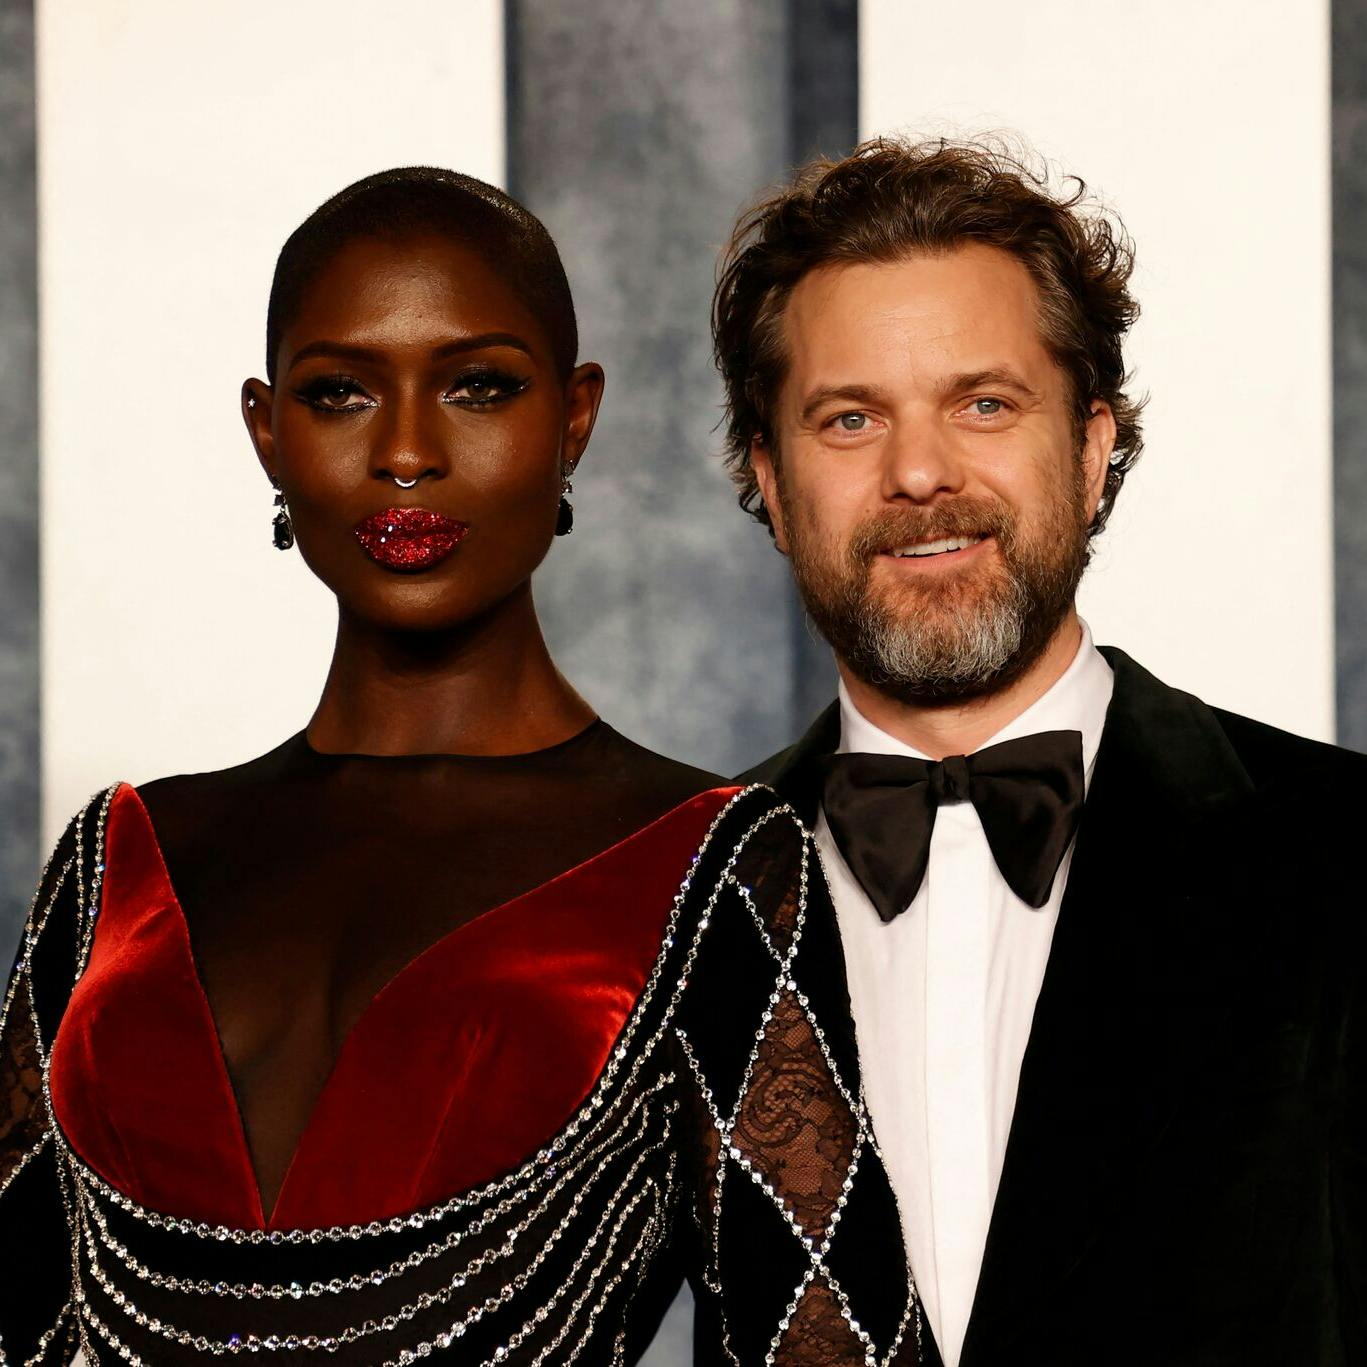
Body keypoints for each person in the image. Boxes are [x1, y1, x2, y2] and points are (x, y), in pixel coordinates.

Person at [0, 167, 834, 1365]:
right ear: (265, 430)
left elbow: (830, 1331)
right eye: (339, 392)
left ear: (573, 417)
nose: (404, 453)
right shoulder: (115, 860)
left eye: (477, 386)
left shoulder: (714, 865)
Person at [716, 137, 1367, 1366]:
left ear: (1087, 445)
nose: (918, 473)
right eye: (849, 417)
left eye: (983, 403)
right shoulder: (680, 894)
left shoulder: (1340, 855)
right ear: (769, 474)